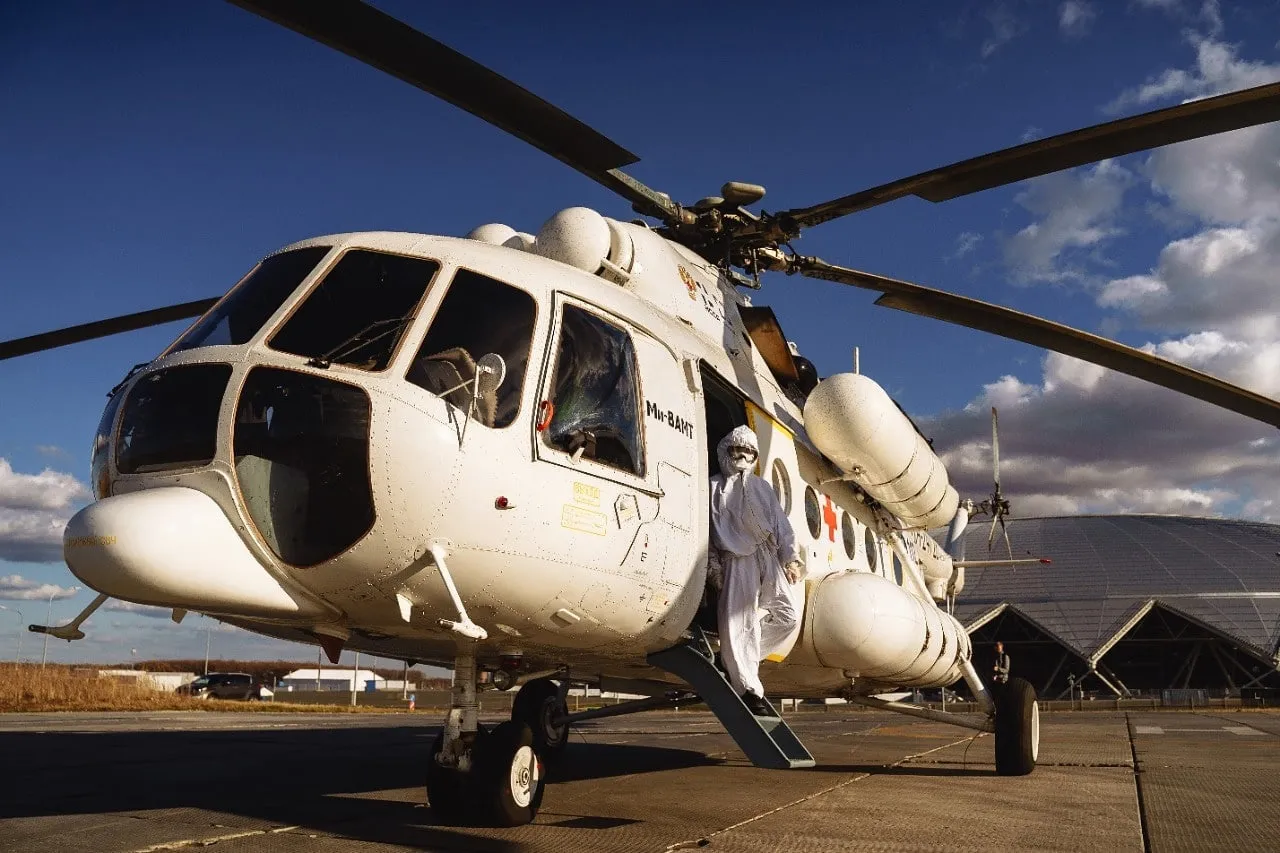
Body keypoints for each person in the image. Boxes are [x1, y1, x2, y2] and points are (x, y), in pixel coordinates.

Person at [709, 425, 803, 717]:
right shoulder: (712, 487)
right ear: (726, 451)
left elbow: (782, 527)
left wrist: (791, 559)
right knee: (739, 621)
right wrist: (714, 567)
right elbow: (707, 533)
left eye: (749, 451)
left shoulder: (763, 487)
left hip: (767, 555)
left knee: (788, 617)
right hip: (736, 559)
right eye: (738, 449)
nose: (743, 455)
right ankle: (748, 688)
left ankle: (736, 659)